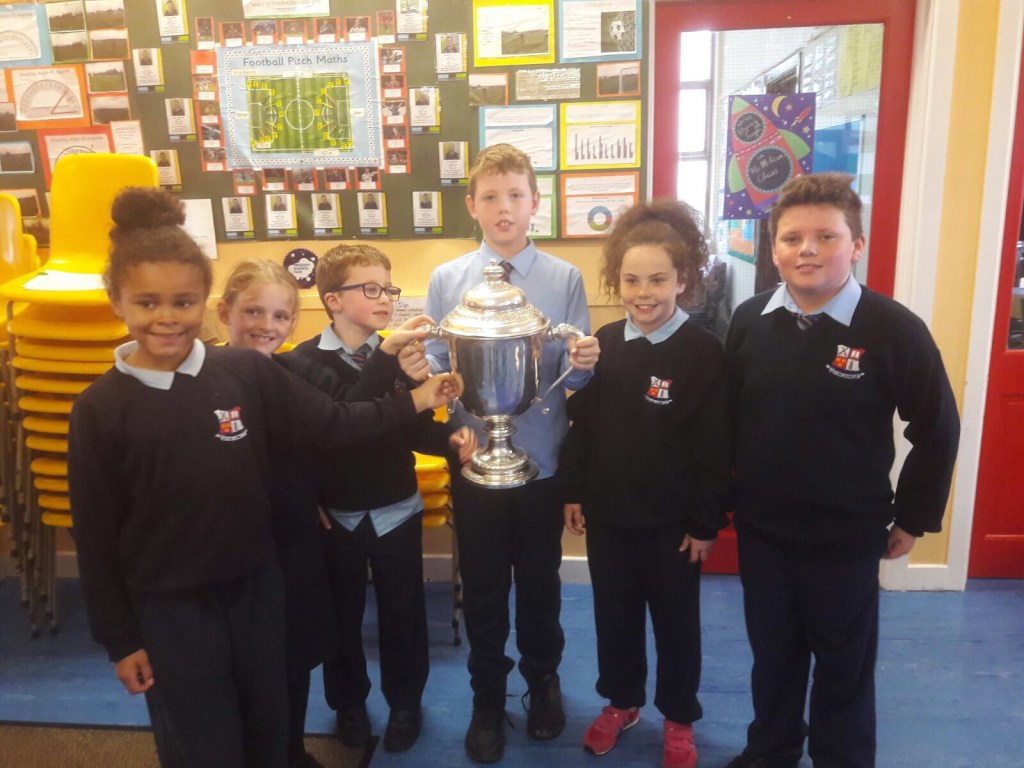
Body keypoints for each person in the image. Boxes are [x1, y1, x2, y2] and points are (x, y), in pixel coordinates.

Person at [67, 187, 460, 768]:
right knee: (203, 741)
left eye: (183, 301)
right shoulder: (100, 409)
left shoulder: (245, 372)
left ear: (204, 302)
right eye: (147, 302)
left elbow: (334, 422)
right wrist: (121, 638)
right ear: (116, 301)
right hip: (173, 608)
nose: (167, 317)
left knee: (271, 724)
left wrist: (417, 401)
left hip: (258, 591)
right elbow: (96, 533)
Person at [723, 172, 960, 768]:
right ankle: (772, 749)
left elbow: (937, 427)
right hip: (763, 530)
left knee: (843, 662)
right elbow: (727, 419)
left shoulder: (892, 328)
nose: (807, 250)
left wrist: (913, 516)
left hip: (847, 535)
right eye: (792, 238)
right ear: (774, 247)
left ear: (856, 245)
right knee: (773, 654)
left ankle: (843, 758)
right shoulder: (749, 321)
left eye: (825, 237)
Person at [400, 143, 601, 764]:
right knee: (484, 587)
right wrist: (425, 374)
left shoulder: (564, 278)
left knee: (540, 584)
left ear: (535, 202)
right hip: (473, 464)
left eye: (515, 195)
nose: (503, 207)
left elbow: (575, 372)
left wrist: (586, 363)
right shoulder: (448, 279)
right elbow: (438, 361)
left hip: (541, 461)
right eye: (490, 196)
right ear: (472, 205)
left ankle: (542, 681)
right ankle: (487, 697)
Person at [558, 200, 731, 768]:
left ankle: (679, 716)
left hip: (674, 528)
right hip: (610, 517)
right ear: (618, 282)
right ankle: (622, 701)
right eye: (631, 280)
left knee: (677, 626)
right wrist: (574, 490)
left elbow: (715, 447)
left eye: (658, 279)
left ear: (683, 280)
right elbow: (584, 425)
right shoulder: (604, 342)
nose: (644, 292)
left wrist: (705, 523)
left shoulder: (704, 352)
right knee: (616, 617)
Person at [286, 244, 476, 754]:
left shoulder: (397, 358)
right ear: (332, 300)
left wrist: (450, 438)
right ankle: (348, 704)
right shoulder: (301, 364)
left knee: (403, 614)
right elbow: (340, 423)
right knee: (340, 618)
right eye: (370, 288)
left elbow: (410, 426)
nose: (385, 298)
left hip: (396, 508)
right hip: (337, 516)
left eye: (388, 288)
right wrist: (388, 360)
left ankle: (406, 704)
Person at [216, 259, 333, 768]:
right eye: (253, 312)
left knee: (294, 654)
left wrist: (316, 493)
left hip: (292, 539)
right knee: (243, 665)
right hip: (233, 551)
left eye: (281, 316)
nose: (267, 325)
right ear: (225, 312)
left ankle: (290, 750)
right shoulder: (204, 379)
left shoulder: (292, 375)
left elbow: (327, 436)